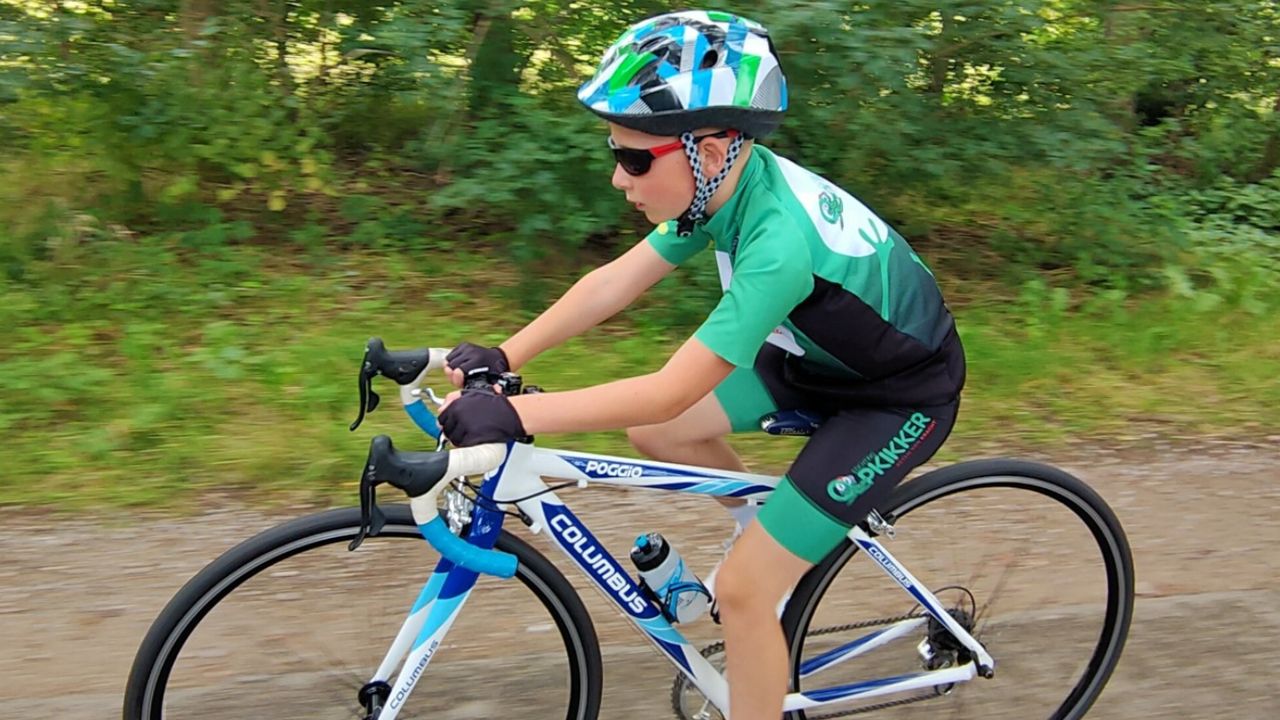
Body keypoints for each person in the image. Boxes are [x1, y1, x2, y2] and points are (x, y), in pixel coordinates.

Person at [437, 10, 966, 719]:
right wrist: (507, 354)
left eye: (633, 158)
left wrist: (515, 413)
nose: (618, 177)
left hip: (897, 399)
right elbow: (615, 283)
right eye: (615, 150)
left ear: (710, 149)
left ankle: (761, 588)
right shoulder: (722, 188)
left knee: (744, 591)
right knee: (661, 437)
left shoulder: (778, 239)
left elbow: (669, 388)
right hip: (812, 359)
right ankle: (767, 537)